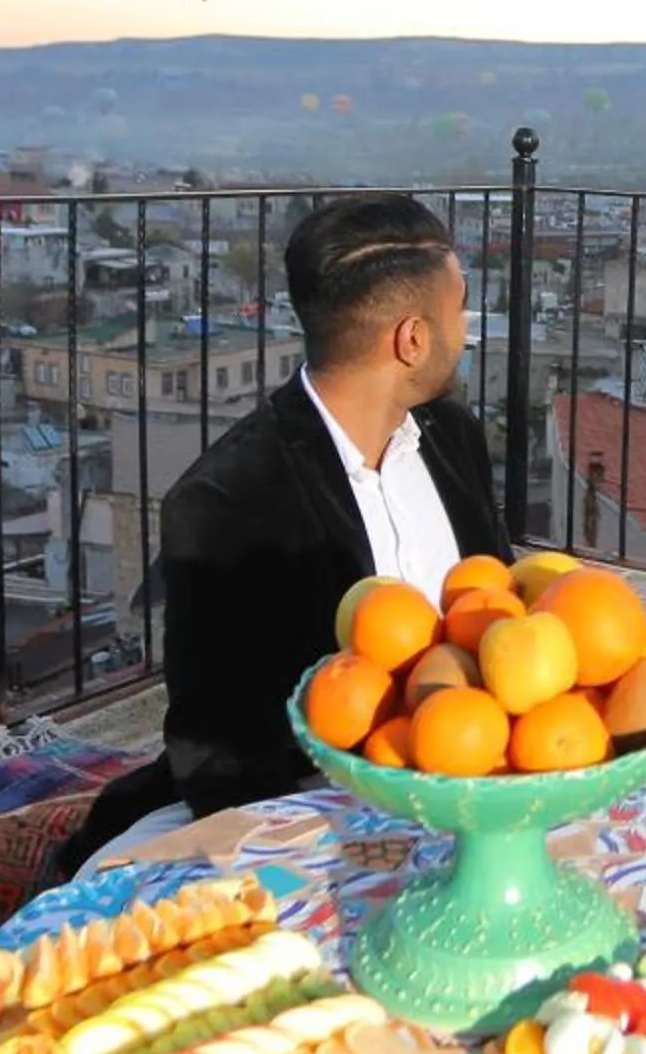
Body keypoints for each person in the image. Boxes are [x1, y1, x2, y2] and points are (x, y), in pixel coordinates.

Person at [56, 194, 510, 876]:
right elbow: (219, 757)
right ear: (411, 339)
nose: (466, 329)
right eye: (459, 309)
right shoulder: (228, 503)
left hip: (483, 784)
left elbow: (495, 612)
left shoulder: (452, 438)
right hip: (322, 816)